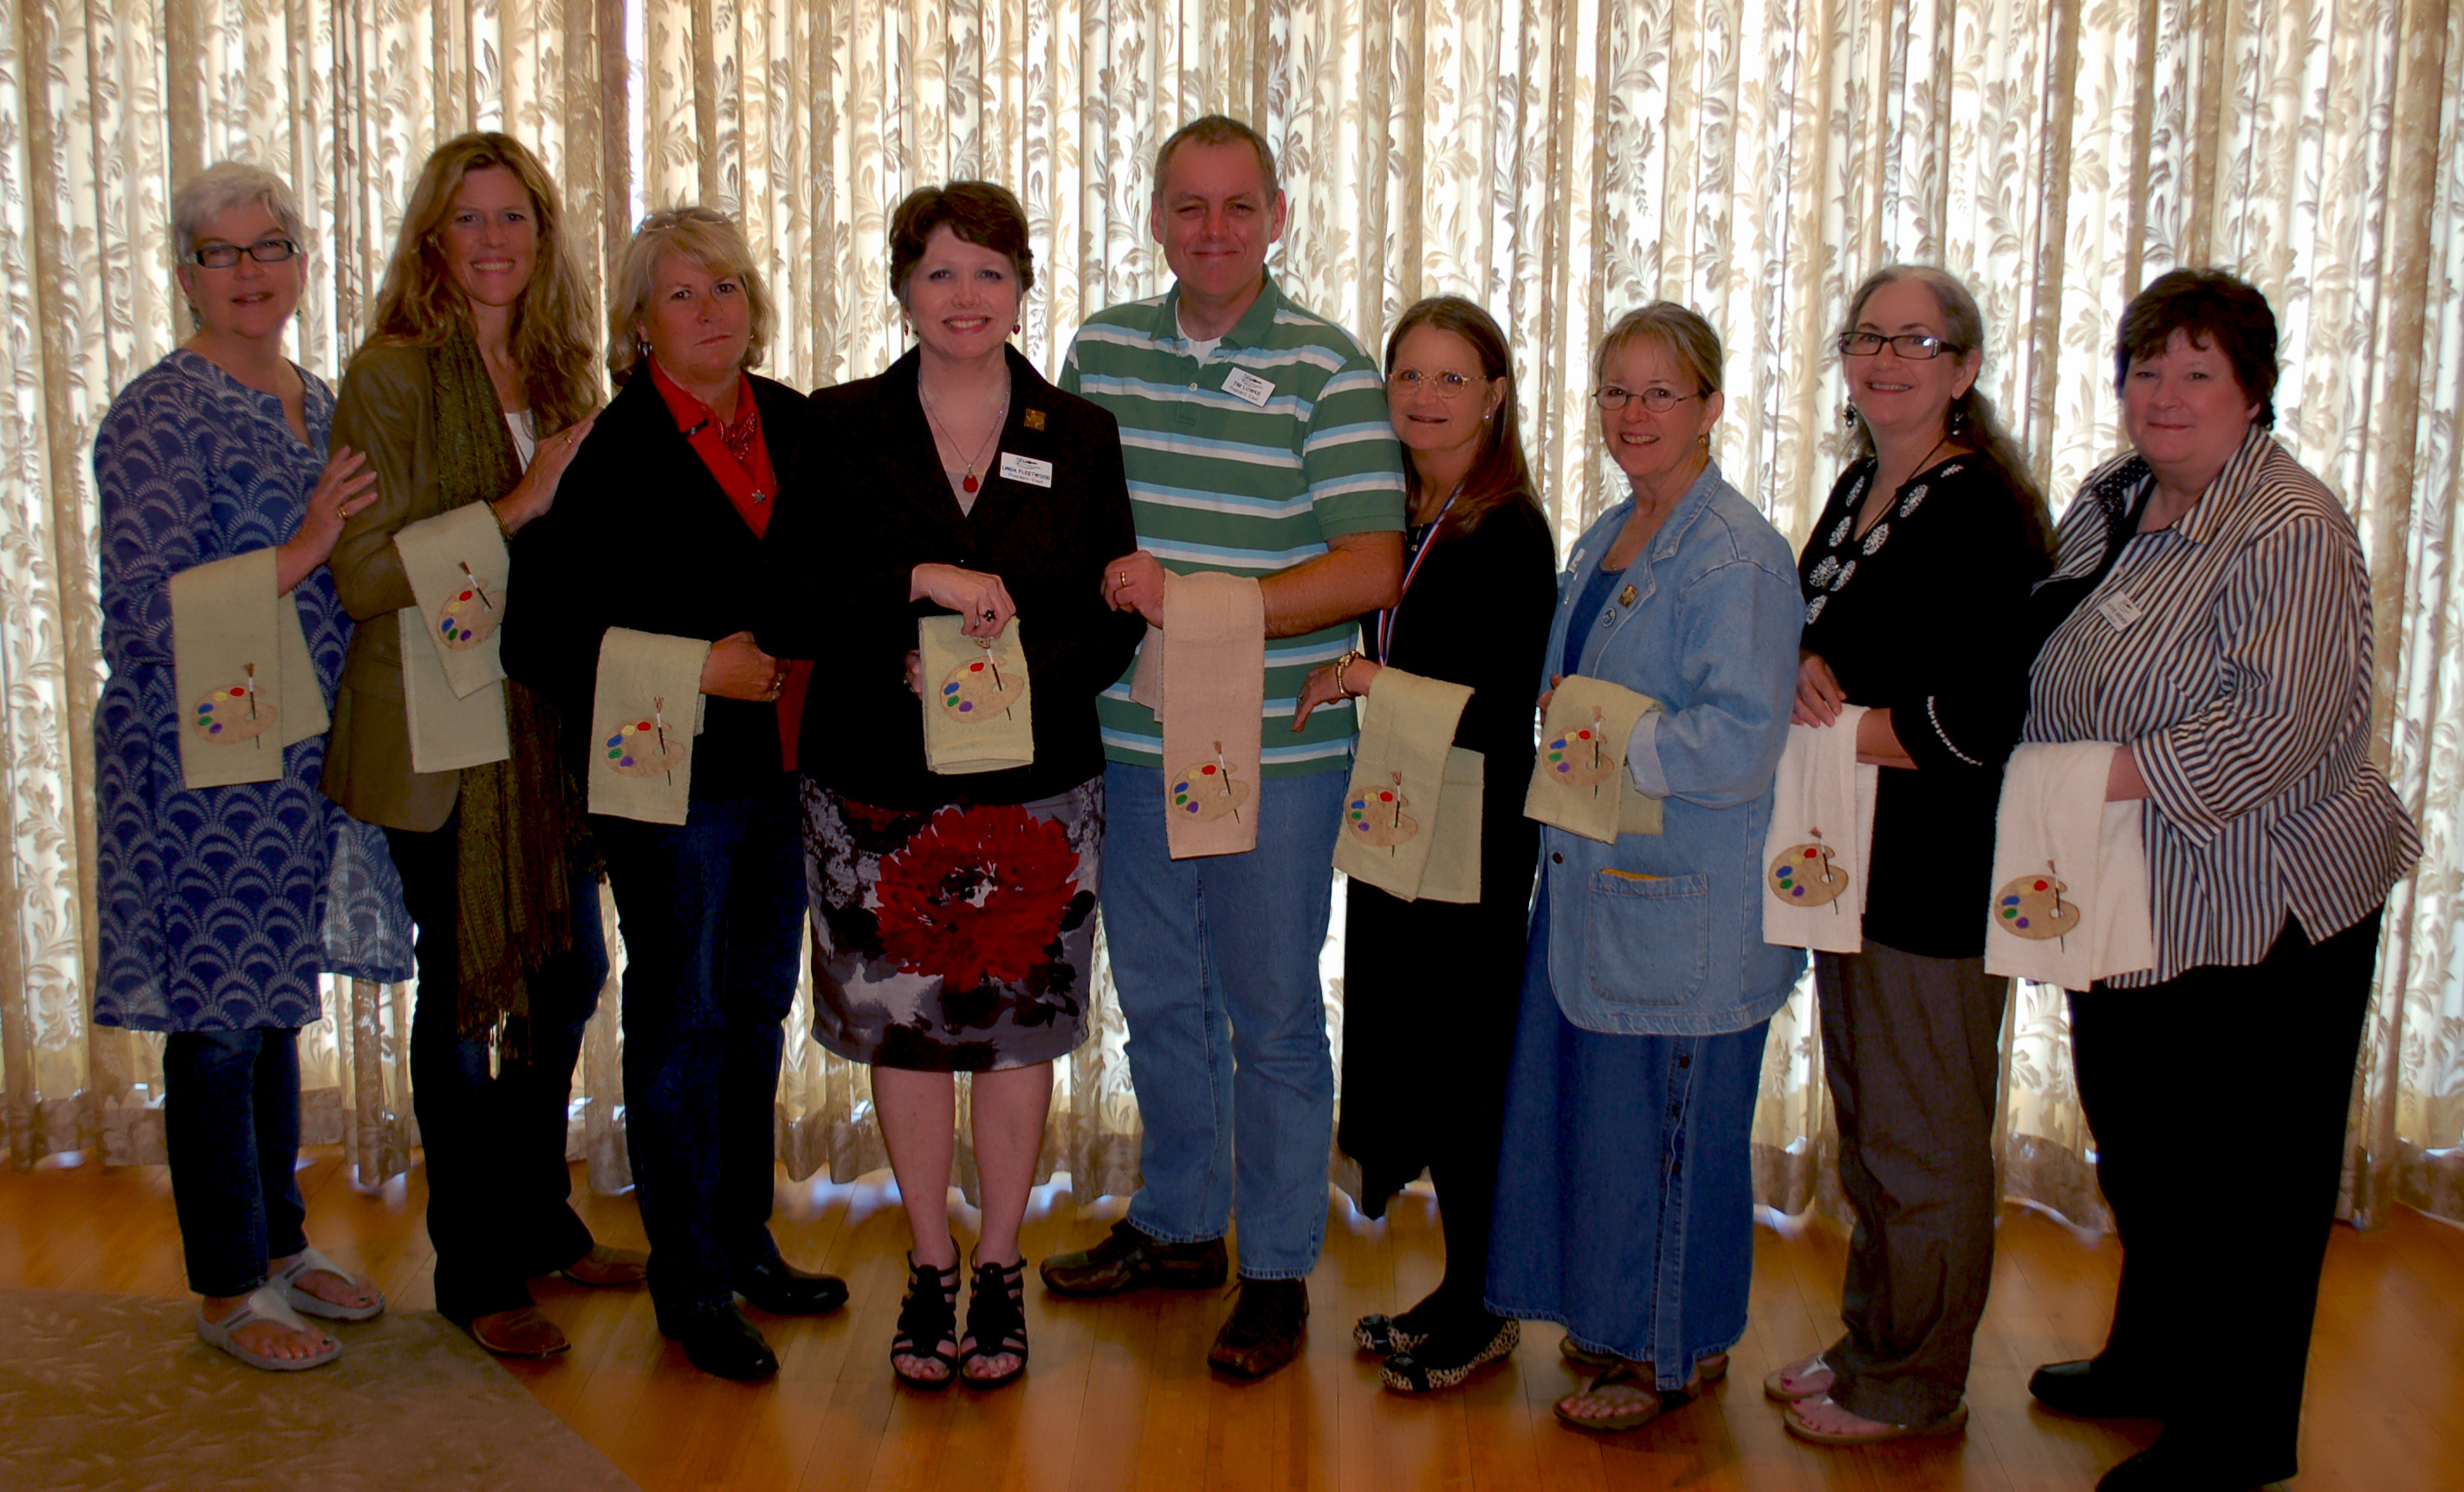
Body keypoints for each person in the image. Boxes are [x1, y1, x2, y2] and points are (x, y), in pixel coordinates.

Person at [1884, 269, 2415, 1492]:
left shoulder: (2290, 528)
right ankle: (2156, 1355)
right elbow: (2045, 636)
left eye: (2196, 372)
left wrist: (2087, 775)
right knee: (2143, 1143)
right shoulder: (2117, 493)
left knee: (2246, 1183)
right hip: (2119, 883)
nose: (2163, 395)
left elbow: (2275, 732)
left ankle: (2236, 1436)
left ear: (2252, 391)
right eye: (2146, 369)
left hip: (2262, 904)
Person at [1034, 114, 1407, 1379]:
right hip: (1134, 738)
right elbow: (1065, 530)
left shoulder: (1328, 371)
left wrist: (1203, 602)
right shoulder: (1100, 352)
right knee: (1159, 1000)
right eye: (1188, 206)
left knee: (1274, 1014)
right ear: (1155, 219)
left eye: (1239, 206)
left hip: (1275, 753)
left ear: (1277, 218)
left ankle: (1279, 1266)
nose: (1213, 230)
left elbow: (1368, 565)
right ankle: (1182, 1223)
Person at [759, 182, 1143, 1391]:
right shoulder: (838, 425)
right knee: (908, 1031)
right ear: (902, 289)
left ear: (1022, 288)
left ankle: (1003, 1262)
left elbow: (1110, 620)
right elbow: (790, 605)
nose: (965, 296)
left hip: (1035, 789)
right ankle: (930, 1263)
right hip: (877, 783)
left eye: (988, 272)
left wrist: (1007, 679)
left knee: (1019, 1035)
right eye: (939, 272)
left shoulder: (1079, 434)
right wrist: (914, 595)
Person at [503, 206, 848, 1381]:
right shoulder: (605, 449)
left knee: (754, 1013)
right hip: (669, 785)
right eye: (683, 294)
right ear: (639, 322)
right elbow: (536, 633)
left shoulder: (797, 423)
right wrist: (696, 666)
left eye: (729, 287)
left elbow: (834, 579)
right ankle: (690, 1283)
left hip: (786, 771)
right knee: (680, 1023)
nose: (712, 311)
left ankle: (744, 1240)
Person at [93, 160, 413, 1370]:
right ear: (185, 274)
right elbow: (140, 613)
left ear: (300, 260)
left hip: (298, 759)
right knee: (218, 1023)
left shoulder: (317, 400)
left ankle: (280, 1244)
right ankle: (228, 1285)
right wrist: (306, 545)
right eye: (220, 252)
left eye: (269, 245)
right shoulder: (158, 413)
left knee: (271, 1005)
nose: (248, 271)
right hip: (201, 762)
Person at [323, 132, 635, 1359]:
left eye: (515, 217)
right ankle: (475, 1267)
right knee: (465, 1005)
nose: (494, 240)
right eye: (470, 218)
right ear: (433, 239)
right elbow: (361, 578)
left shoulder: (562, 375)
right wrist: (518, 505)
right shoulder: (390, 376)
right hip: (437, 739)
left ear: (543, 238)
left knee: (565, 973)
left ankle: (540, 1218)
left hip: (545, 735)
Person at [1484, 303, 1805, 1433]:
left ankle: (1668, 1354)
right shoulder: (1609, 534)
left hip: (1688, 907)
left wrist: (1607, 735)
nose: (1633, 414)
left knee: (1674, 1140)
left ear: (1711, 405)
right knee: (1611, 1133)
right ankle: (1633, 1322)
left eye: (1660, 392)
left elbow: (1741, 740)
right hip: (1602, 885)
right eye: (1616, 391)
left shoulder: (1735, 556)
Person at [1761, 267, 2052, 1443]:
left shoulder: (1980, 509)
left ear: (1964, 368)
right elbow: (1815, 629)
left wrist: (1848, 725)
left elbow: (1986, 714)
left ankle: (1916, 1382)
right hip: (1848, 856)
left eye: (1916, 341)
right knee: (1875, 1126)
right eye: (1868, 337)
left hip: (1932, 878)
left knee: (1924, 1139)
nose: (1886, 359)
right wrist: (1798, 665)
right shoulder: (1862, 486)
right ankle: (1873, 1338)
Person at [1286, 295, 1557, 1393]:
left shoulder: (1508, 528)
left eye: (1452, 378)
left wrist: (1364, 678)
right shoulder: (1402, 511)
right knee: (1431, 1070)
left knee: (1469, 1073)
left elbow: (1497, 709)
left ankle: (1487, 1309)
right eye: (1409, 375)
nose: (1426, 397)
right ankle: (1460, 1290)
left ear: (1494, 396)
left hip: (1473, 831)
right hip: (1405, 814)